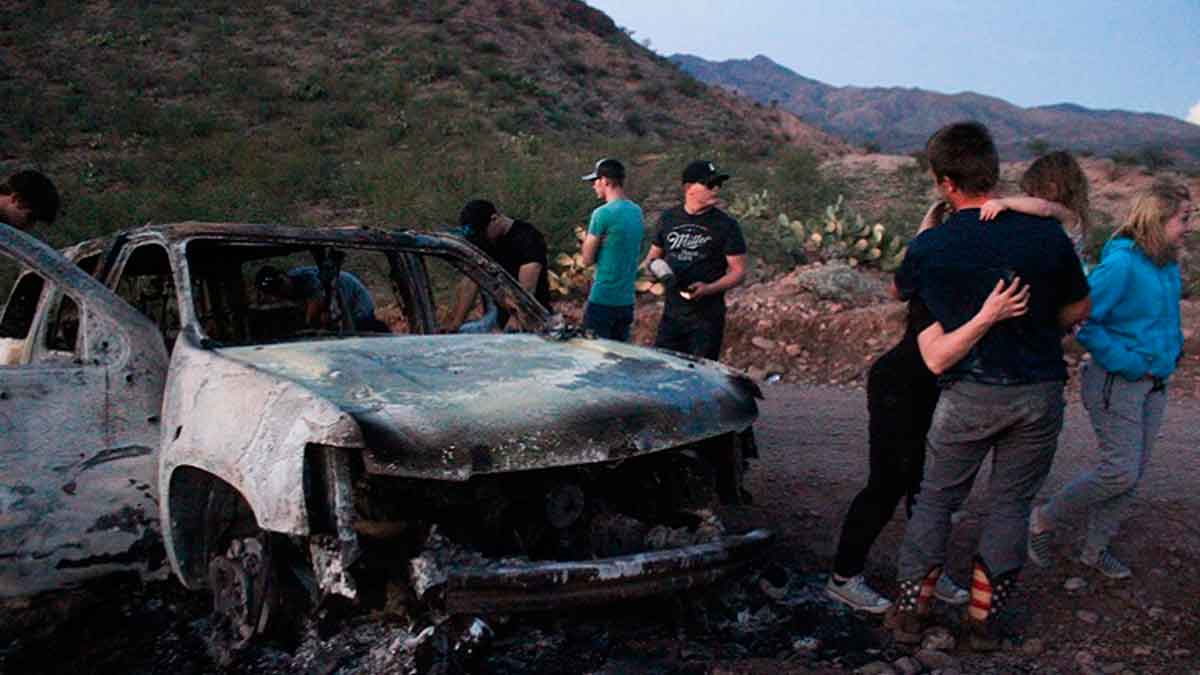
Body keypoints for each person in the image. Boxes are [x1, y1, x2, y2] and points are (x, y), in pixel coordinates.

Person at [890, 121, 1091, 650]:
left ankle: (911, 612)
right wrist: (1041, 324)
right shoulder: (1046, 235)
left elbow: (901, 290)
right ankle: (982, 621)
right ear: (993, 171)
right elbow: (1079, 306)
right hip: (1039, 390)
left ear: (945, 182)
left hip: (969, 392)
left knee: (936, 501)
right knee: (1010, 505)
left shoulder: (934, 245)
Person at [827, 200, 1031, 614]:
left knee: (928, 487)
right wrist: (989, 316)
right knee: (888, 484)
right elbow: (927, 333)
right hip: (900, 386)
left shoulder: (965, 273)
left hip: (933, 388)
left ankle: (924, 575)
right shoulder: (936, 277)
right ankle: (843, 577)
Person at [1027, 181, 1191, 580]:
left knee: (1131, 474)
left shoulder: (1165, 262)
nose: (1188, 226)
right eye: (1183, 218)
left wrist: (1169, 354)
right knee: (1120, 471)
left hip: (1154, 382)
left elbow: (1160, 318)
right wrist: (1129, 362)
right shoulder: (1122, 264)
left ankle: (1094, 551)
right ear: (1158, 218)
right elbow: (1080, 317)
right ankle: (1043, 519)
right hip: (1119, 381)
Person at [644, 160, 747, 361]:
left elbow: (739, 272)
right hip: (671, 316)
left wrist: (709, 288)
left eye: (718, 184)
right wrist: (654, 271)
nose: (715, 189)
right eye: (709, 185)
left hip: (707, 320)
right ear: (689, 188)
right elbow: (652, 257)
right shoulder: (668, 218)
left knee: (700, 377)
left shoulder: (726, 225)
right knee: (663, 372)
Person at [446, 199, 550, 332]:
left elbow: (527, 287)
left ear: (495, 219)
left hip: (530, 320)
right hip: (498, 317)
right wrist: (457, 323)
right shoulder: (484, 241)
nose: (482, 239)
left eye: (483, 233)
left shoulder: (527, 237)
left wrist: (515, 320)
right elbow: (471, 280)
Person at [981, 151, 1092, 264]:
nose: (1031, 199)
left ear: (1051, 189)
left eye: (1033, 195)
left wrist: (1004, 203)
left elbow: (1044, 208)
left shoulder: (1068, 215)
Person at [579, 158, 644, 341]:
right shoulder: (636, 211)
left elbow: (586, 259)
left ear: (605, 181)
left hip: (603, 299)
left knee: (593, 358)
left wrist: (590, 242)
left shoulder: (602, 214)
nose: (593, 186)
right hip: (626, 301)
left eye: (595, 181)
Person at [255, 265, 386, 332]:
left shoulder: (305, 278)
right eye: (274, 291)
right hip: (334, 302)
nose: (281, 291)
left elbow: (316, 301)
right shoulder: (284, 293)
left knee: (359, 327)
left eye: (280, 284)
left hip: (352, 296)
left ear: (284, 276)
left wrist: (307, 325)